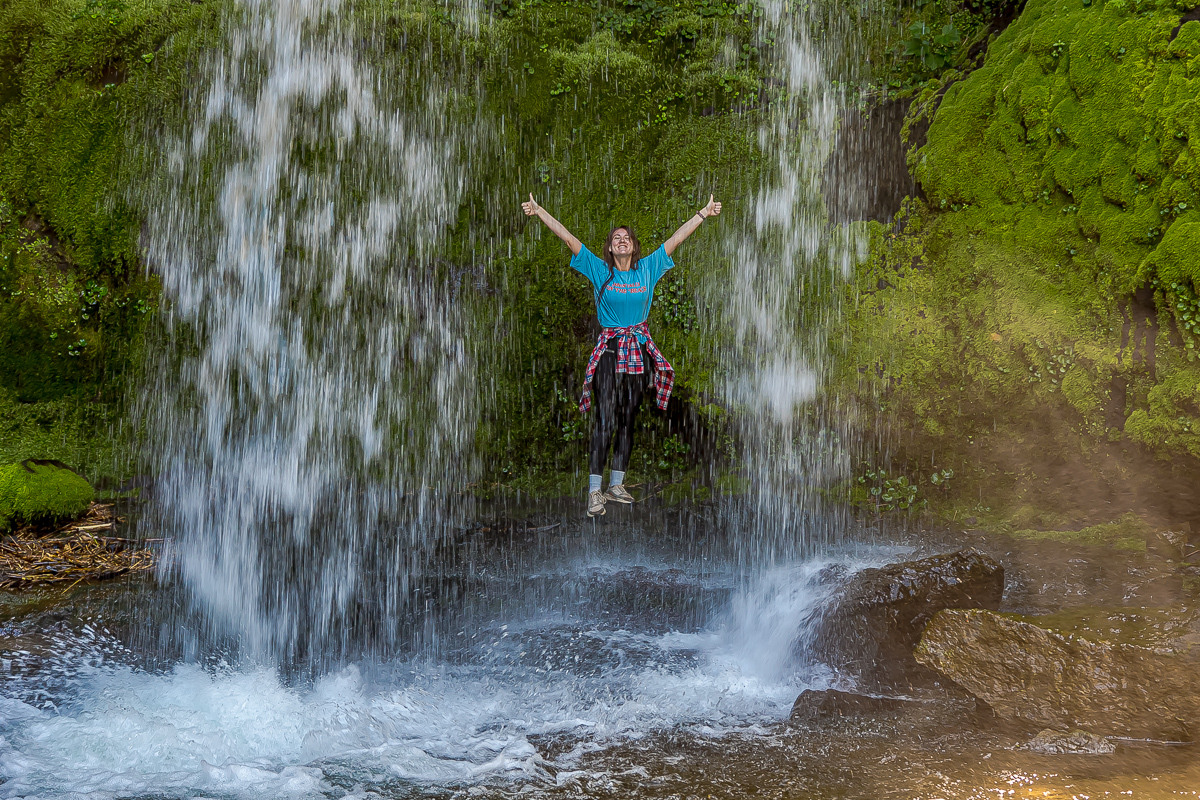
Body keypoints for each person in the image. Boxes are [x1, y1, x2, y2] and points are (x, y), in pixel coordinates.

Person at [521, 193, 723, 517]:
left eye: (626, 237)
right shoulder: (601, 271)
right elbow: (569, 238)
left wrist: (703, 213)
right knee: (605, 419)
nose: (621, 240)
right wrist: (539, 210)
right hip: (611, 350)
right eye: (616, 238)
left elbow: (675, 239)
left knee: (628, 419)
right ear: (610, 248)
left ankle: (616, 484)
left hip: (638, 351)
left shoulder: (648, 269)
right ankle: (593, 492)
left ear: (633, 245)